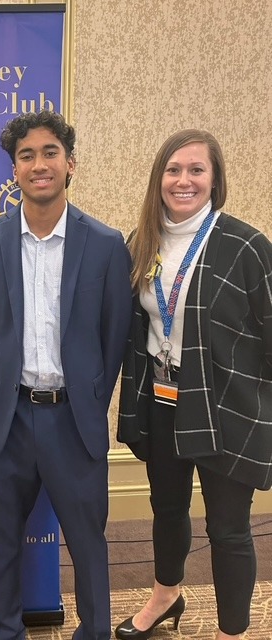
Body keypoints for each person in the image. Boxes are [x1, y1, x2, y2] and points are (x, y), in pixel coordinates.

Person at [0, 110, 133, 640]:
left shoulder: (105, 245)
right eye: (27, 156)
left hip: (72, 421)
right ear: (14, 170)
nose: (39, 164)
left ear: (70, 163)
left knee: (88, 543)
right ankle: (6, 633)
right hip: (5, 420)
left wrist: (87, 396)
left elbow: (113, 338)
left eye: (50, 153)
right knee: (3, 544)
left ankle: (94, 633)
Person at [116, 129, 272, 640]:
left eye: (196, 170)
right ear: (159, 178)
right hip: (163, 401)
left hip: (227, 406)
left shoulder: (246, 246)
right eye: (173, 170)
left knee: (228, 529)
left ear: (214, 179)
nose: (183, 180)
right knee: (167, 511)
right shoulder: (141, 244)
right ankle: (166, 595)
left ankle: (232, 631)